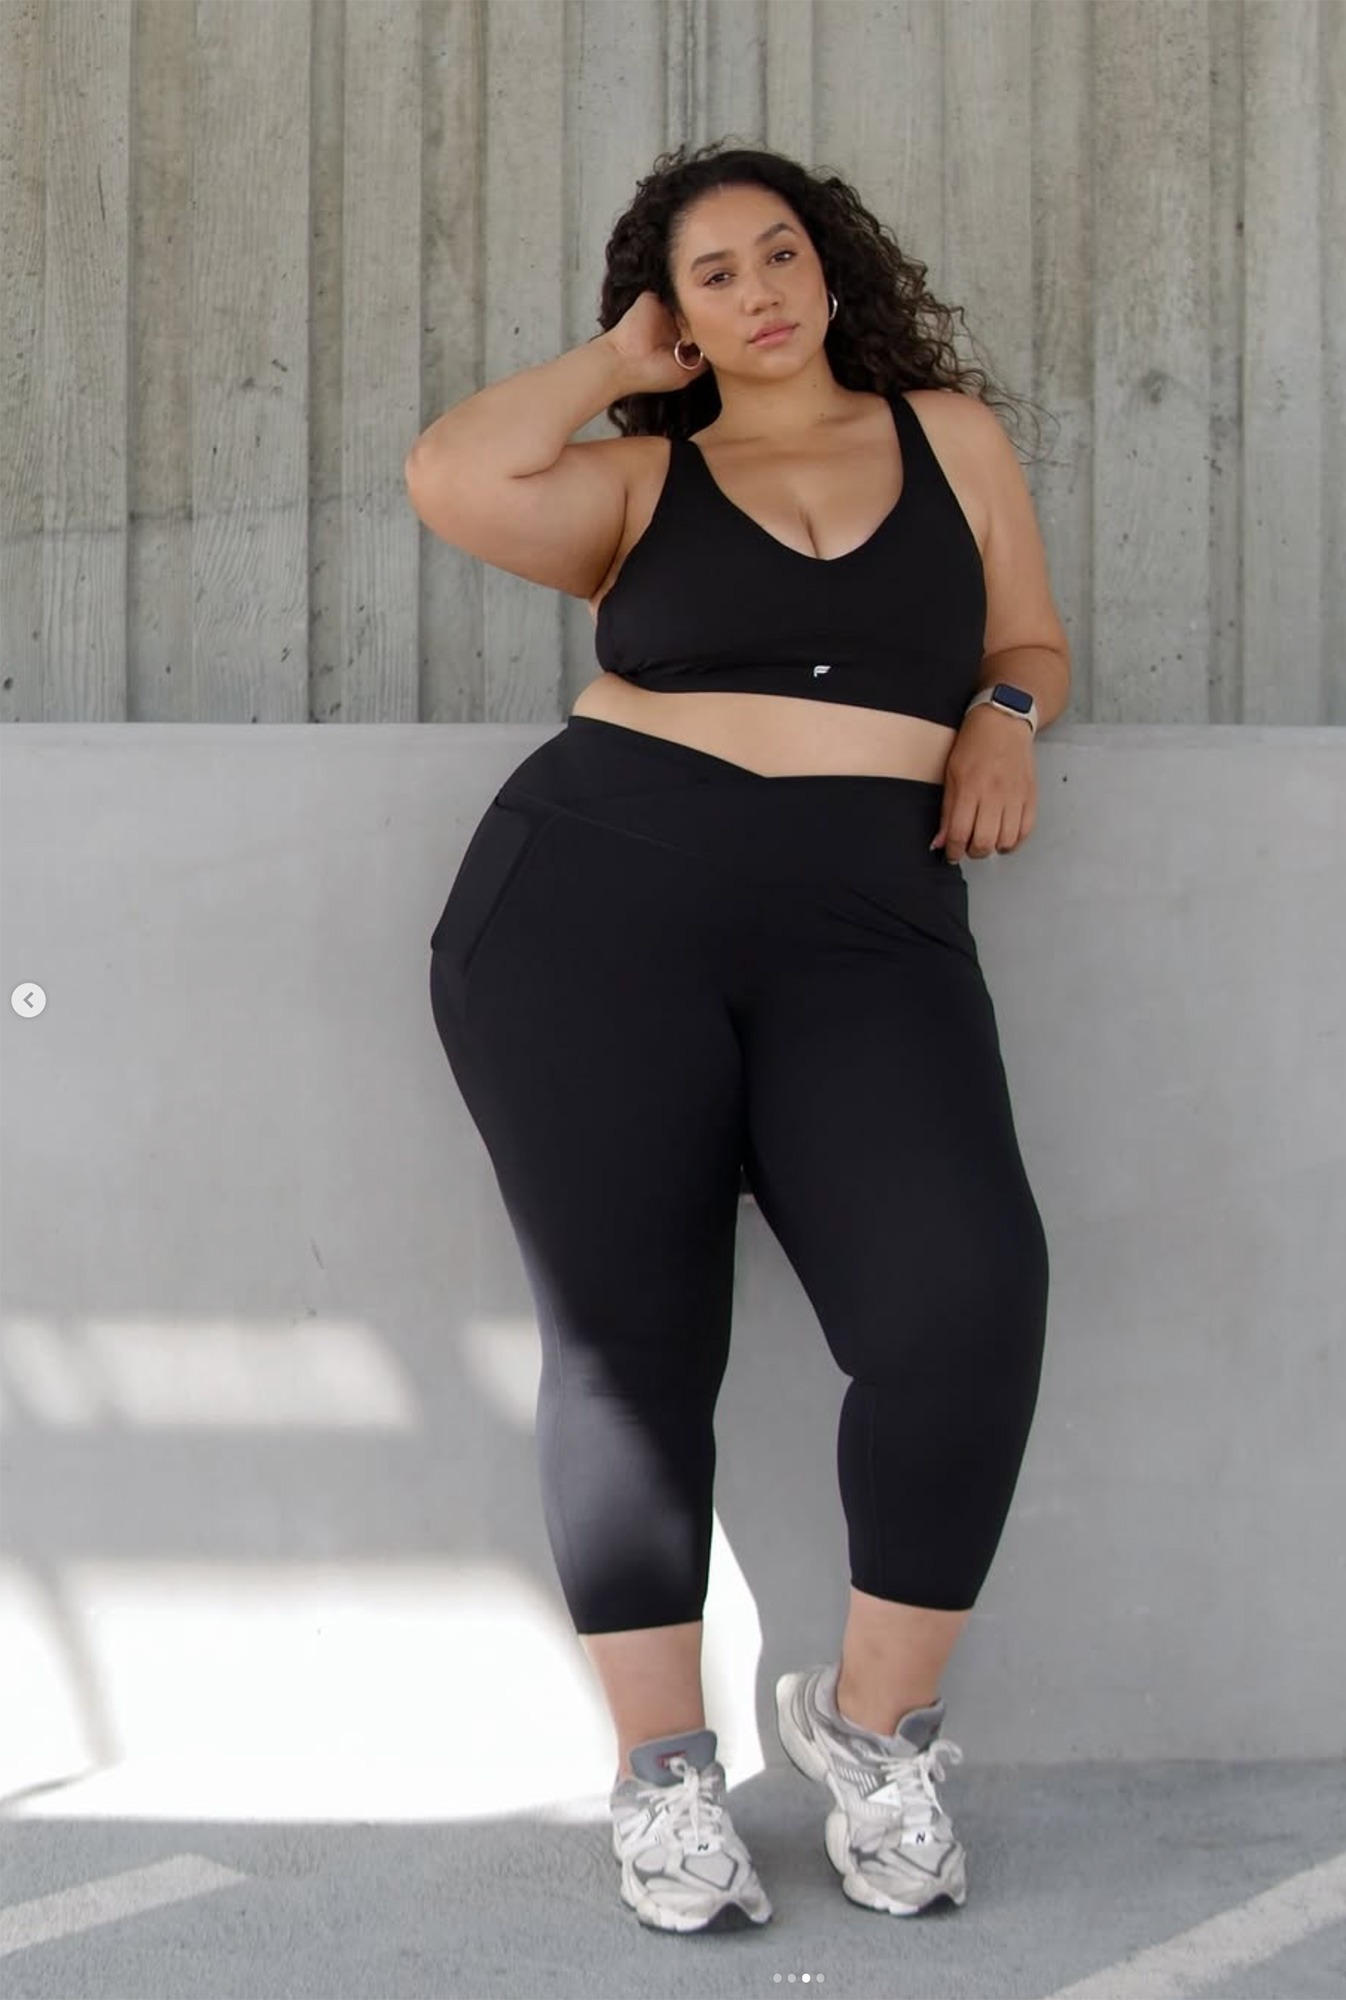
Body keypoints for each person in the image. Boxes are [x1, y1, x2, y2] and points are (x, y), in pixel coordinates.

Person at [407, 141, 1067, 1936]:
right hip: (588, 912)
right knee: (629, 1347)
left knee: (963, 1304)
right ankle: (663, 1778)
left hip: (868, 930)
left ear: (830, 266)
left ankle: (874, 1731)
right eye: (713, 274)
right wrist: (618, 367)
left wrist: (1004, 717)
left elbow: (1025, 636)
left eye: (781, 253)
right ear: (673, 314)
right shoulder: (637, 478)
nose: (760, 290)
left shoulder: (948, 438)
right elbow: (453, 474)